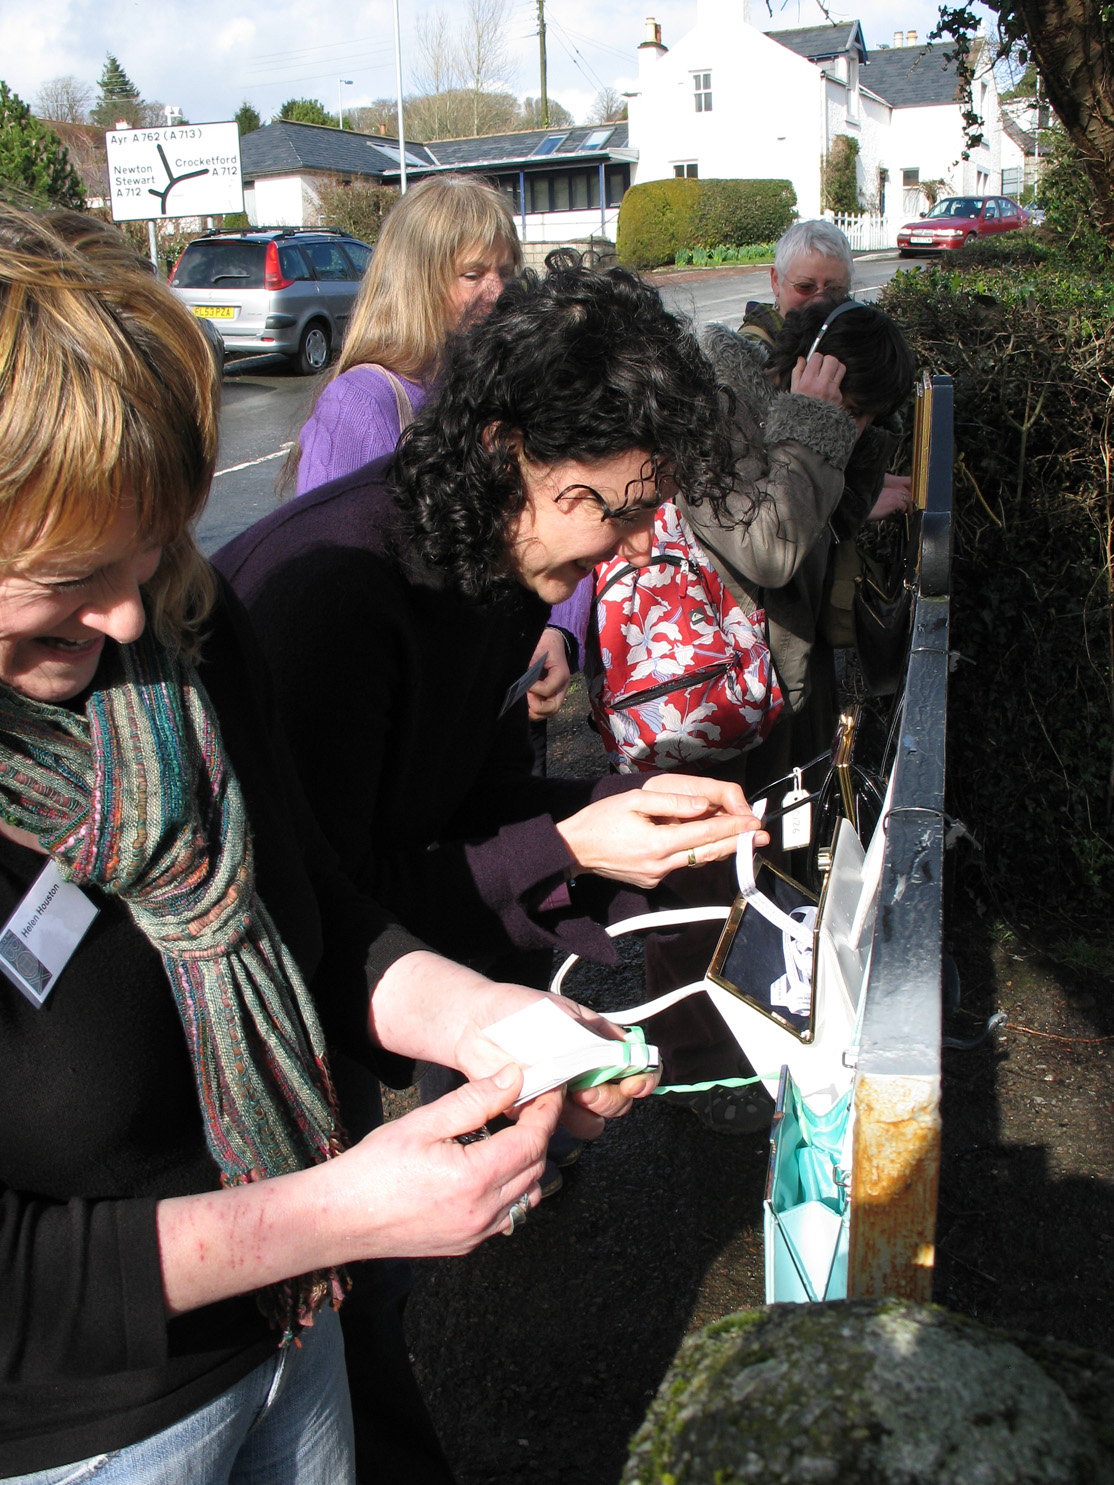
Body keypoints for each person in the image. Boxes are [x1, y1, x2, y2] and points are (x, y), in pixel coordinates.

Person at [0, 208, 656, 1485]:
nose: (129, 616)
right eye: (72, 571)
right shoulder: (327, 591)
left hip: (288, 1344)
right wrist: (333, 1211)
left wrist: (486, 1021)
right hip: (85, 1439)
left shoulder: (179, 638)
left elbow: (308, 900)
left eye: (154, 546)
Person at [216, 257, 766, 976]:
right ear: (507, 453)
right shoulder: (336, 597)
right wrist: (571, 848)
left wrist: (643, 804)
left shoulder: (506, 560)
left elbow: (482, 799)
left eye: (650, 514)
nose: (634, 548)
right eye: (619, 512)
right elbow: (329, 909)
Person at [737, 218, 854, 350]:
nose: (820, 300)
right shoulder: (750, 351)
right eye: (805, 286)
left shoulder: (853, 338)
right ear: (776, 280)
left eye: (834, 289)